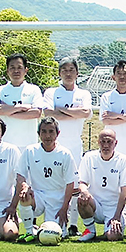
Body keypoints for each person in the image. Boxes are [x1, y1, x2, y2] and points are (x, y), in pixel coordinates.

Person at [43, 56, 92, 237]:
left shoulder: (84, 94)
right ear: (59, 73)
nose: (68, 73)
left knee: (75, 186)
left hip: (75, 145)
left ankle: (73, 224)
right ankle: (52, 221)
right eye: (64, 70)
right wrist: (73, 112)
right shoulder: (51, 92)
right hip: (55, 146)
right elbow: (49, 113)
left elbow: (85, 112)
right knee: (55, 183)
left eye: (71, 70)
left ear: (77, 73)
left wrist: (61, 110)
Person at [15, 117, 78, 242]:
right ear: (38, 133)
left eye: (51, 131)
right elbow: (20, 175)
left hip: (58, 197)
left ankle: (52, 226)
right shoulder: (30, 151)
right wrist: (25, 187)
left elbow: (70, 183)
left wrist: (65, 207)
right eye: (43, 131)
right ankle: (29, 231)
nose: (47, 136)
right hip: (38, 194)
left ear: (57, 133)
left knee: (56, 233)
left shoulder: (65, 154)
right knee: (25, 196)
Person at [76, 129, 126, 242]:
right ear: (98, 142)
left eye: (109, 142)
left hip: (114, 207)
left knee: (112, 236)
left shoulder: (123, 160)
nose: (106, 145)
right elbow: (82, 182)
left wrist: (117, 216)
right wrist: (84, 192)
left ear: (115, 143)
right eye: (103, 142)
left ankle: (111, 227)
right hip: (95, 205)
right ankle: (90, 231)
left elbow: (124, 191)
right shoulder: (89, 157)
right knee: (81, 199)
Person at [0, 53, 43, 150]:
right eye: (12, 68)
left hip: (28, 144)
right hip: (5, 144)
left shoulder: (34, 89)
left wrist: (8, 111)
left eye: (19, 67)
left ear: (25, 70)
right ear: (7, 71)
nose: (16, 71)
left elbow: (36, 113)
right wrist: (21, 107)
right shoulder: (0, 90)